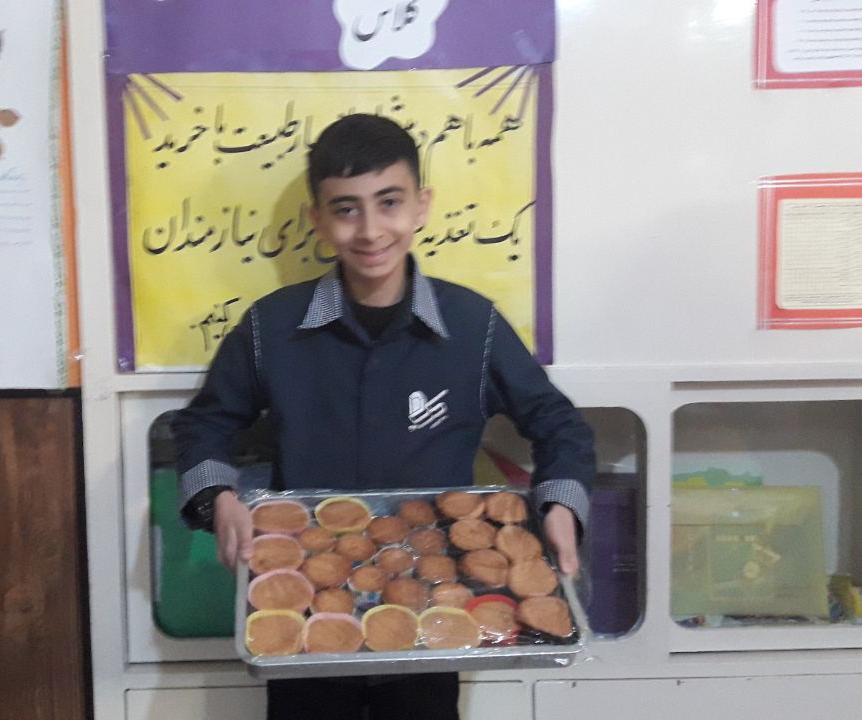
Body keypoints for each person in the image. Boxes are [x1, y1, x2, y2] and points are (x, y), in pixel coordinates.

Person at [173, 113, 595, 720]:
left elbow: (559, 424)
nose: (370, 230)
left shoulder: (472, 326)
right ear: (318, 220)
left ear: (421, 206)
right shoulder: (271, 327)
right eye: (346, 209)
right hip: (304, 602)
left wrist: (560, 506)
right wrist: (218, 498)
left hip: (435, 604)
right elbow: (204, 424)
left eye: (389, 202)